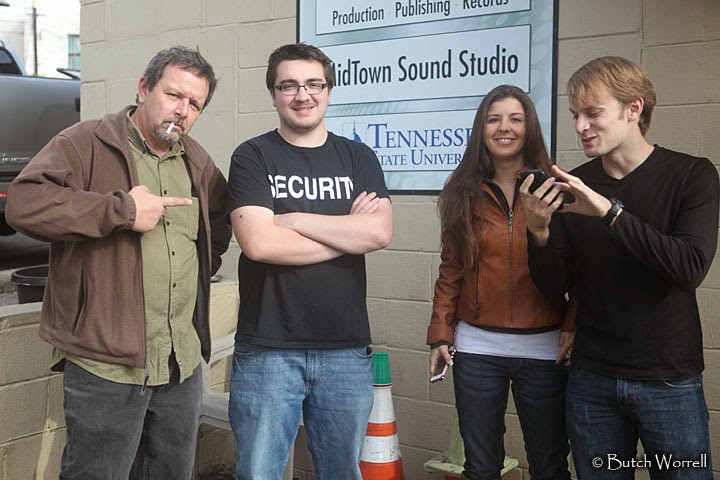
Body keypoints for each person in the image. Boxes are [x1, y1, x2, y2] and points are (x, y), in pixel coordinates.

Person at [6, 45, 232, 479]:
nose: (182, 110)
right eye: (173, 94)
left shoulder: (197, 162)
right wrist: (121, 211)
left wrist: (200, 267)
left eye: (194, 104)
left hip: (179, 362)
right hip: (106, 364)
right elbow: (24, 204)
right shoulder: (85, 143)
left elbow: (219, 221)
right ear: (144, 89)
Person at [520, 56, 718, 479]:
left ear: (634, 108)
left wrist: (610, 212)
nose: (580, 126)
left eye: (593, 113)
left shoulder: (691, 175)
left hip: (669, 379)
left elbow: (689, 267)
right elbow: (555, 286)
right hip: (592, 380)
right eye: (575, 115)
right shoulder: (575, 186)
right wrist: (538, 232)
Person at [226, 43, 394, 480]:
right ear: (273, 94)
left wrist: (296, 220)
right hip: (268, 350)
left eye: (314, 84)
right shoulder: (252, 156)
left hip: (345, 349)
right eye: (289, 85)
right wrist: (347, 234)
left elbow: (378, 232)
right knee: (258, 473)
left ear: (329, 91)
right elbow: (259, 244)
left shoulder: (358, 158)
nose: (303, 95)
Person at [427, 84, 573, 480]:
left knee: (549, 465)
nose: (503, 127)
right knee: (480, 467)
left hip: (545, 350)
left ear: (530, 127)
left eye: (515, 119)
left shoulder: (556, 189)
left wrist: (573, 324)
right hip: (477, 350)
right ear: (482, 129)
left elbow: (580, 271)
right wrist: (440, 333)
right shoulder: (462, 191)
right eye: (494, 119)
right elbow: (451, 269)